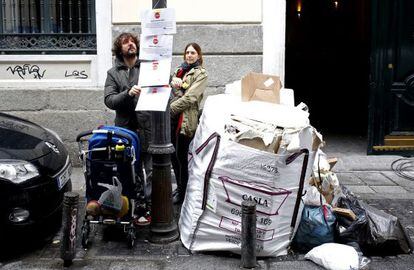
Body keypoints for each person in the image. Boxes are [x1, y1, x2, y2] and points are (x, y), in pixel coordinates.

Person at [104, 32, 152, 224]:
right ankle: (139, 206)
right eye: (126, 43)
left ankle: (150, 205)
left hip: (148, 128)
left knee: (152, 171)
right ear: (119, 48)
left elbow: (162, 83)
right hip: (126, 131)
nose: (131, 44)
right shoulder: (113, 73)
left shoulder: (147, 68)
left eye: (133, 42)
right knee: (132, 171)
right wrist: (127, 93)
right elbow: (109, 100)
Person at [170, 43, 208, 204]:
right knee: (172, 155)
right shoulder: (179, 70)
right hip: (173, 118)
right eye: (187, 52)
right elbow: (173, 86)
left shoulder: (201, 74)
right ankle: (179, 187)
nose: (189, 55)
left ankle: (183, 192)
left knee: (181, 157)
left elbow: (191, 97)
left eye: (193, 53)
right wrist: (175, 84)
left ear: (199, 56)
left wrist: (171, 108)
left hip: (186, 119)